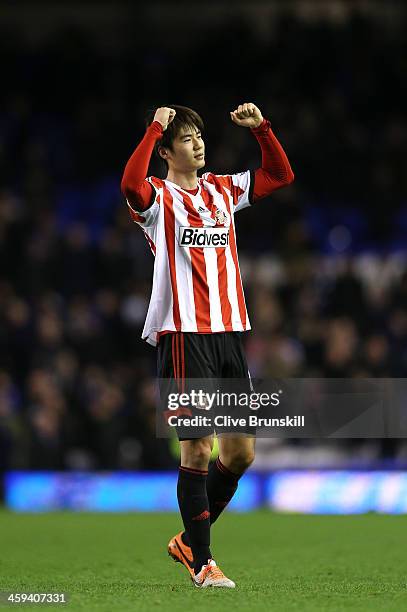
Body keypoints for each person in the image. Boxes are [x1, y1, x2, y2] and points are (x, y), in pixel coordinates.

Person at [121, 102, 294, 588]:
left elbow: (279, 176)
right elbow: (129, 185)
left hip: (228, 335)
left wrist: (263, 129)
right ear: (165, 151)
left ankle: (186, 541)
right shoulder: (156, 199)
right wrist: (153, 123)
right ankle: (203, 562)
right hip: (184, 336)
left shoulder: (221, 189)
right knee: (197, 447)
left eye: (199, 135)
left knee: (239, 455)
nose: (198, 143)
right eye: (186, 138)